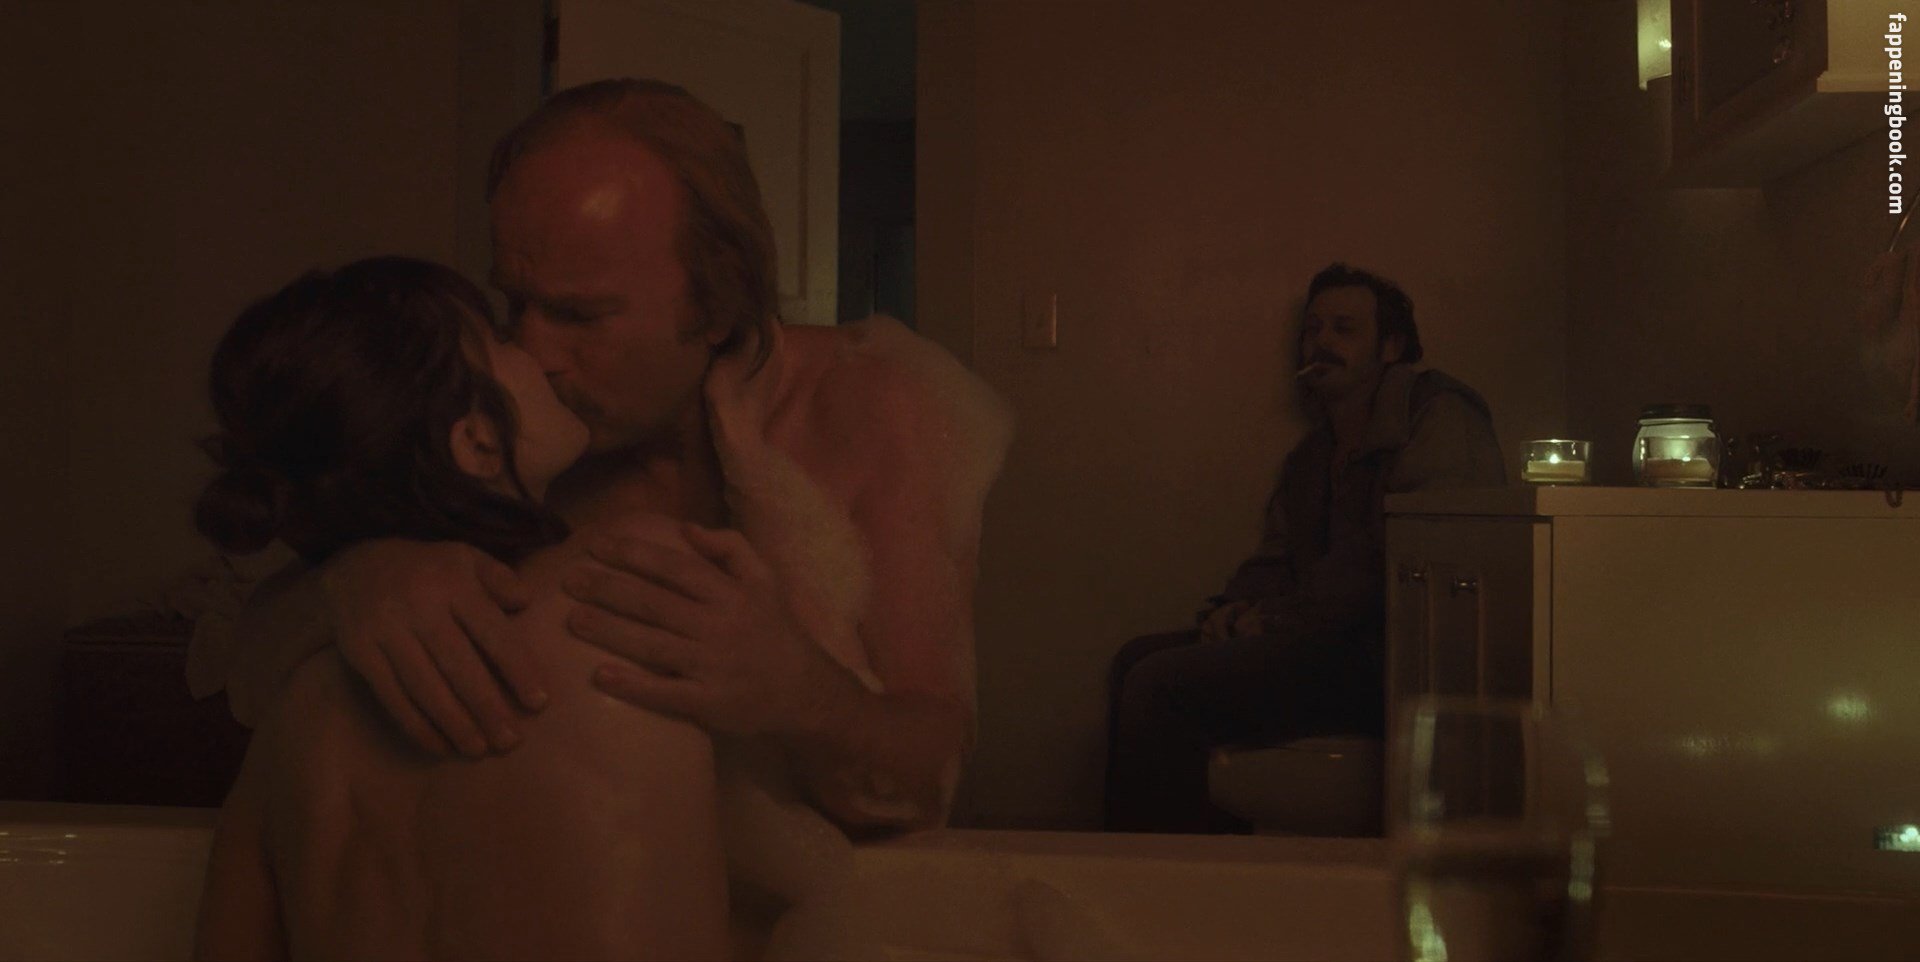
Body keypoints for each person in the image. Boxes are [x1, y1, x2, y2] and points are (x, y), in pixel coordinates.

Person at [222, 77, 1012, 837]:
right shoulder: (517, 445)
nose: (533, 351)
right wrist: (357, 577)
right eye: (513, 303)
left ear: (717, 303)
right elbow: (240, 667)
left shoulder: (872, 408)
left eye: (579, 315)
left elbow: (932, 771)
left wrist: (803, 694)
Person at [191, 257, 730, 960]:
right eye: (501, 340)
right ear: (477, 441)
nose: (533, 352)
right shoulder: (625, 584)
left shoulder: (290, 721)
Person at [1102, 263, 1505, 834]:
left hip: (1393, 659)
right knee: (1134, 660)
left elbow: (1405, 554)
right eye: (1313, 329)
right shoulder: (1313, 457)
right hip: (1320, 642)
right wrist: (1228, 612)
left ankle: (1179, 868)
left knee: (1160, 684)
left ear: (1391, 347)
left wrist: (1273, 620)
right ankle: (1167, 856)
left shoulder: (1435, 414)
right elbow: (1276, 557)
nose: (1322, 342)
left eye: (1344, 329)